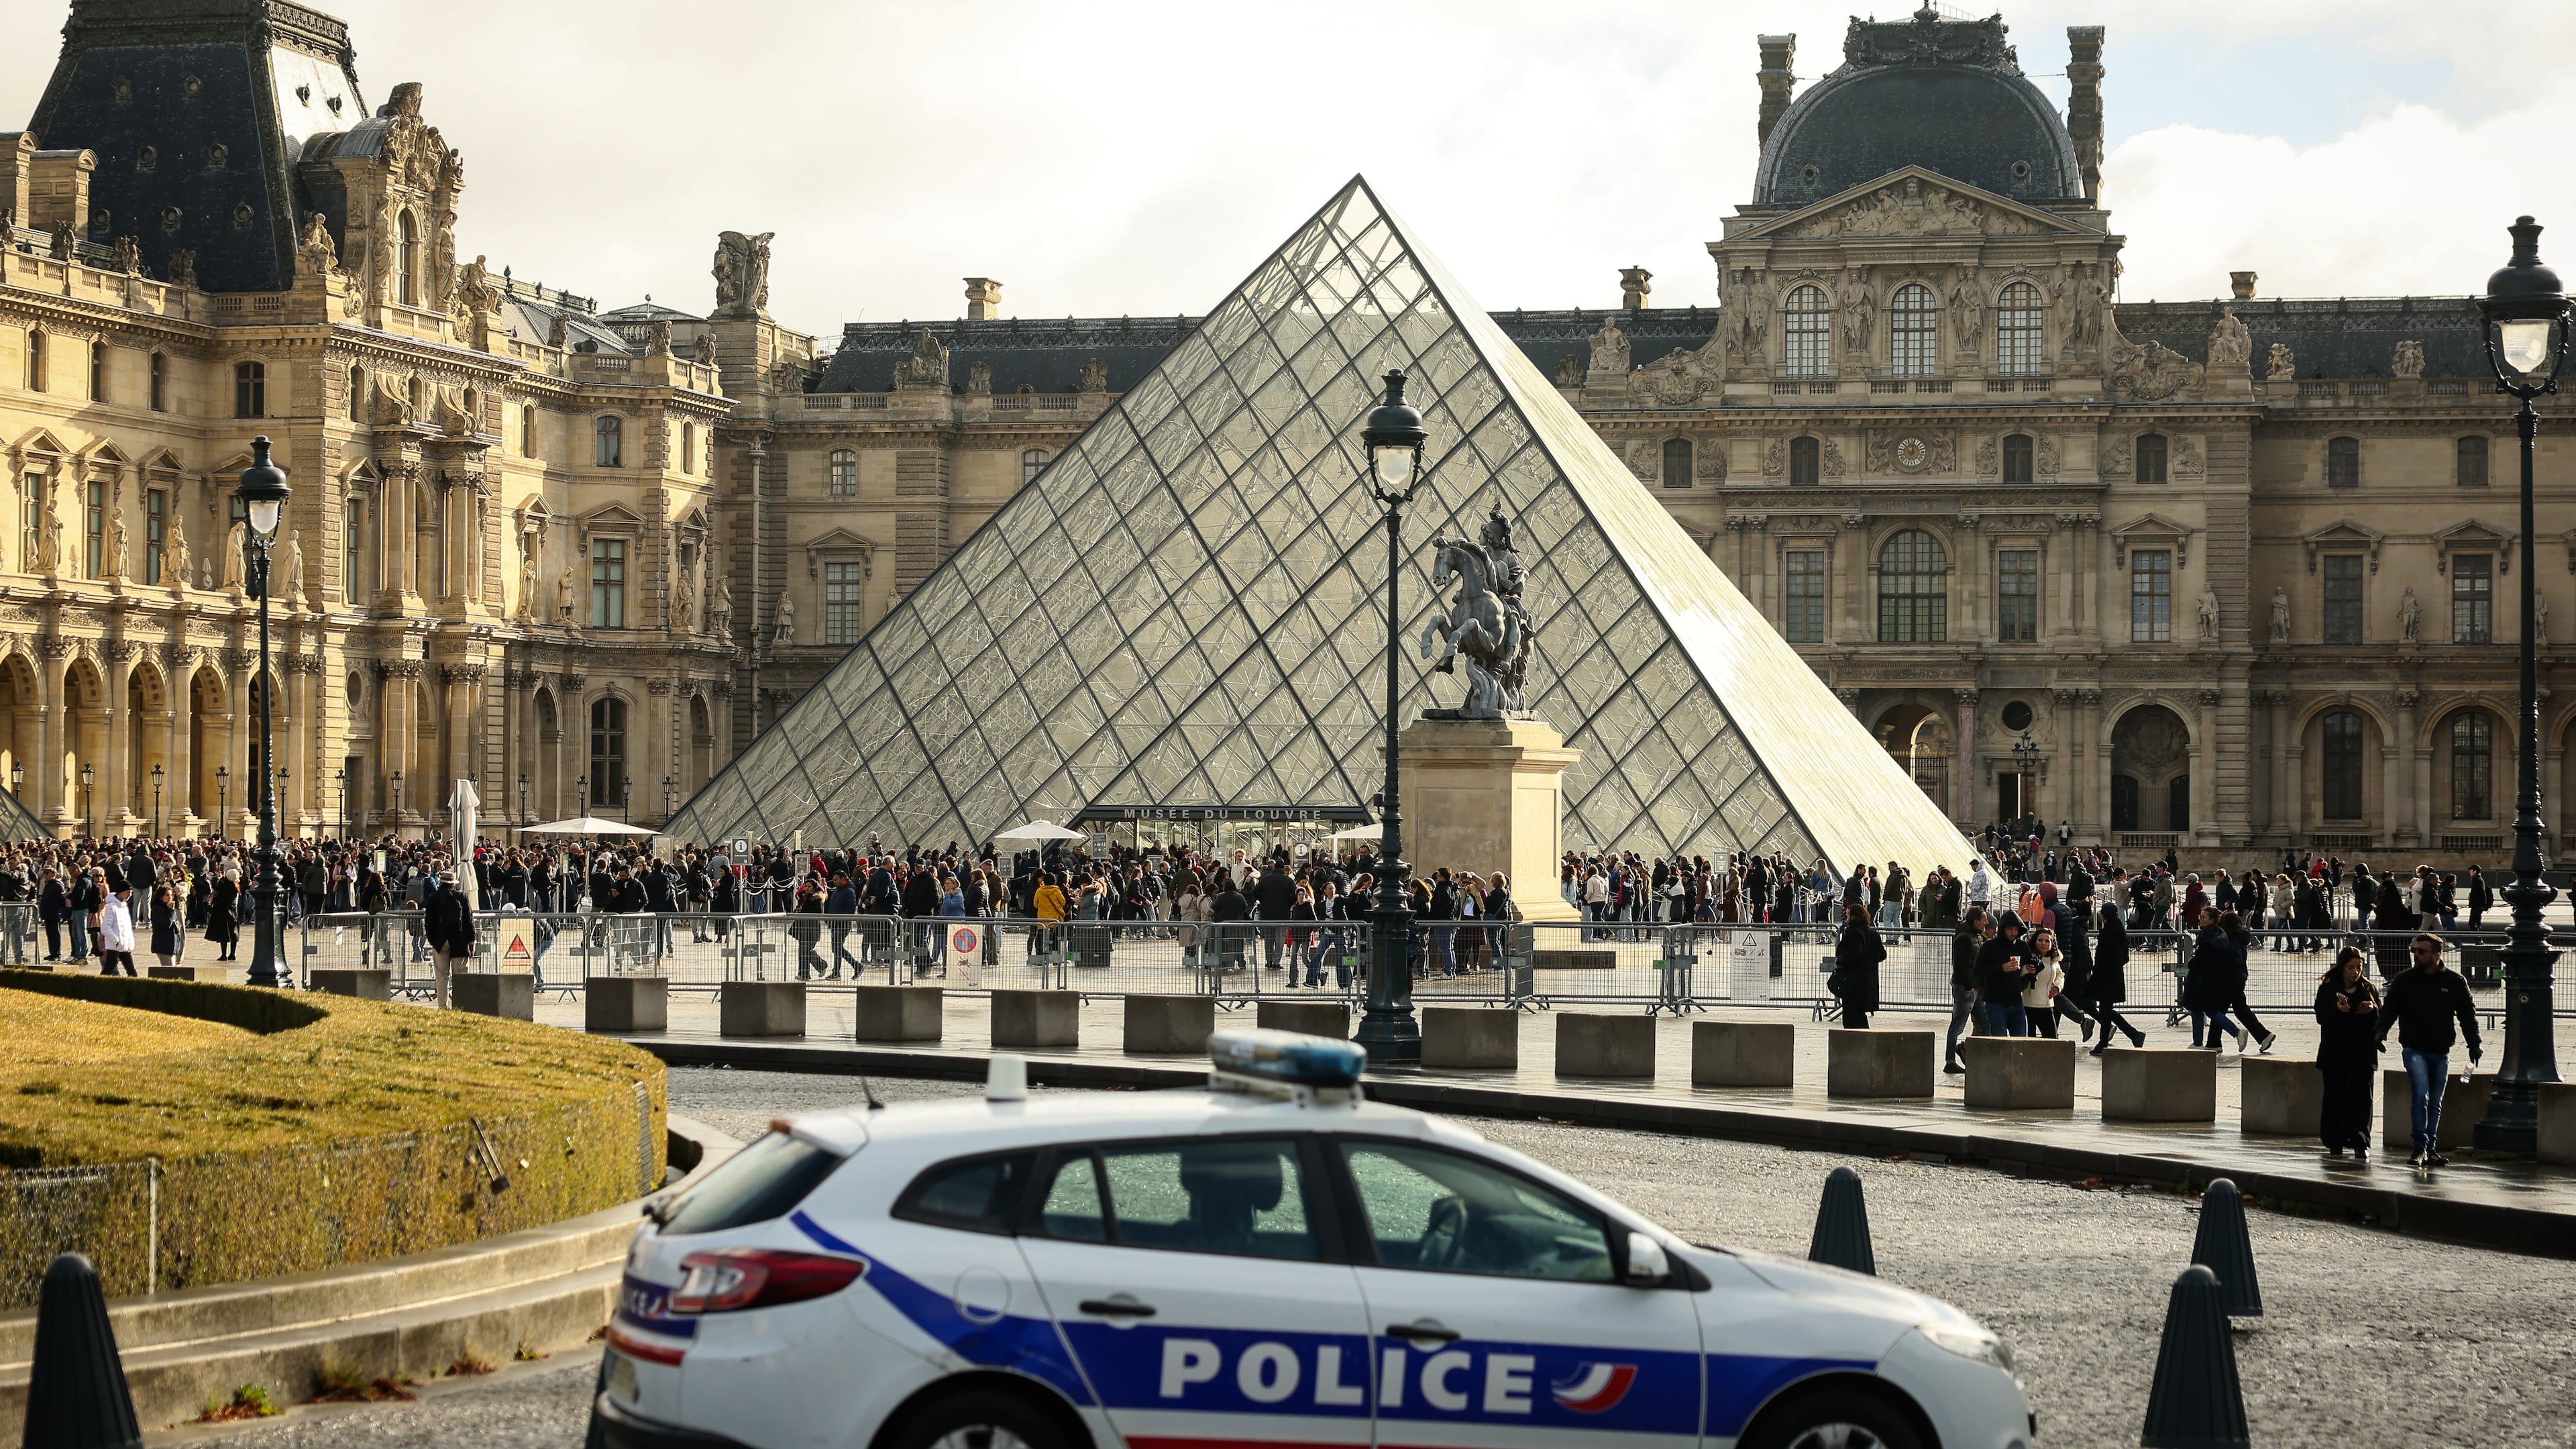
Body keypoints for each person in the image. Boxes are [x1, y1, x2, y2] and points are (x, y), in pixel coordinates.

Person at [2375, 933, 2483, 1169]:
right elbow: (2389, 1010)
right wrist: (2380, 1033)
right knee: (2420, 1094)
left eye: (2421, 952)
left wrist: (2474, 1044)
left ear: (2437, 955)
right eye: (2414, 950)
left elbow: (2467, 1015)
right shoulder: (2404, 980)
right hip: (2414, 1049)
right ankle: (2419, 1147)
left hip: (2441, 1050)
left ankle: (2431, 1148)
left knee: (2435, 1101)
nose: (2416, 955)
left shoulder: (2454, 981)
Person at [2314, 946, 2380, 1160]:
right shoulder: (2328, 989)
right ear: (2342, 968)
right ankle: (2335, 1141)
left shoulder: (2368, 988)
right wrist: (2338, 1010)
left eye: (2359, 967)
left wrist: (2372, 1010)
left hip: (2362, 1052)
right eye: (2351, 967)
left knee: (2362, 1098)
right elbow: (2321, 1016)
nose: (2355, 972)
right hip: (2335, 1052)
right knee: (2335, 1097)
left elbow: (2381, 1020)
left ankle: (2361, 1141)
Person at [2085, 894, 2148, 1054]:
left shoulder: (2107, 933)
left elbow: (2101, 958)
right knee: (2107, 1011)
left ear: (2104, 917)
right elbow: (2124, 957)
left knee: (2106, 1011)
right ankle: (2109, 1042)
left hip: (2105, 977)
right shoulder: (2120, 931)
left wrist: (2094, 973)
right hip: (2115, 976)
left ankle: (2132, 1035)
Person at [2182, 906, 2246, 1052]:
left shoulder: (2210, 940)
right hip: (2211, 980)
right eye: (2201, 916)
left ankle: (2236, 1032)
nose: (2201, 919)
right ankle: (2198, 1043)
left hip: (2204, 981)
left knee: (2207, 1010)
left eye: (2204, 917)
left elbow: (2203, 961)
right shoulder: (2217, 935)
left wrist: (2192, 963)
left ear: (2212, 920)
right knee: (2200, 1010)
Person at [1974, 913, 2034, 1036]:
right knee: (1999, 1041)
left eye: (2016, 929)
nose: (2013, 933)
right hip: (1995, 1002)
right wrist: (2001, 968)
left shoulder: (2022, 946)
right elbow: (1978, 971)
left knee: (2021, 1040)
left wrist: (2023, 984)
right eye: (2010, 929)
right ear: (2003, 929)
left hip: (2016, 1001)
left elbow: (2029, 969)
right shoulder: (1990, 946)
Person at [1943, 905, 1986, 1074]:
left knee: (1985, 1022)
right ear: (1976, 921)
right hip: (1966, 988)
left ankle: (1976, 1055)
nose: (1987, 922)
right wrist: (1969, 985)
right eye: (1984, 919)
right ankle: (1950, 1061)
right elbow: (1961, 966)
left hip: (1975, 988)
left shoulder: (1977, 936)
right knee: (1957, 1025)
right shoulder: (1964, 938)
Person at [1827, 901, 1883, 1030]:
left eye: (1848, 916)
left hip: (1854, 982)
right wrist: (1869, 960)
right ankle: (1861, 1044)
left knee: (1851, 1019)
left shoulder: (1854, 933)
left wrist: (1840, 962)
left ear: (1854, 917)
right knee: (1859, 1016)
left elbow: (1854, 953)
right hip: (1868, 981)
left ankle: (1856, 1047)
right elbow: (1882, 954)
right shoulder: (1873, 933)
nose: (1846, 919)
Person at [423, 869, 475, 1009]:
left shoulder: (434, 897)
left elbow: (428, 922)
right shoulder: (462, 896)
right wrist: (472, 941)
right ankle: (459, 1005)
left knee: (441, 975)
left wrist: (433, 941)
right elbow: (469, 921)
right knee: (460, 976)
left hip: (440, 941)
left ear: (441, 882)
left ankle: (442, 1006)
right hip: (459, 941)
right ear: (453, 883)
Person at [2023, 928, 2067, 1037]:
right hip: (2028, 1005)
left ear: (2052, 944)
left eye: (2047, 941)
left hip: (2047, 1005)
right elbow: (2018, 973)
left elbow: (2060, 975)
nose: (2043, 943)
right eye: (2040, 940)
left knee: (2052, 1039)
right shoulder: (2029, 957)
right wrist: (2026, 969)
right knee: (2029, 1040)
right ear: (2035, 941)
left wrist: (2057, 987)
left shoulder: (2054, 960)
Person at [95, 884, 138, 977]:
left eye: (131, 893)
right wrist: (116, 941)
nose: (130, 895)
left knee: (132, 972)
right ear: (121, 892)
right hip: (116, 946)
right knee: (108, 971)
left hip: (125, 946)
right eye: (128, 892)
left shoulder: (124, 906)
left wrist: (129, 942)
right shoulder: (112, 907)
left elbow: (126, 927)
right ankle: (98, 988)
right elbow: (105, 927)